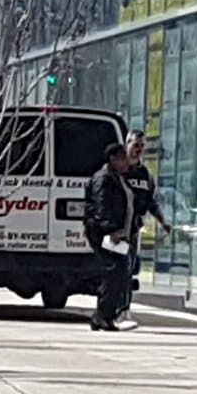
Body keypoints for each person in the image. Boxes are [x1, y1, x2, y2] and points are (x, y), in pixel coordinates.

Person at [119, 130, 169, 331]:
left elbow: (151, 202)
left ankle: (124, 309)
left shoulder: (145, 175)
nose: (138, 149)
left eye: (141, 146)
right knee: (115, 271)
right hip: (114, 230)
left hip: (133, 231)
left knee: (128, 270)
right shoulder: (118, 171)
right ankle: (111, 308)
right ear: (126, 145)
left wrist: (163, 221)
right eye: (134, 145)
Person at [83, 141, 132, 332]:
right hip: (105, 235)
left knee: (116, 273)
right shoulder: (103, 179)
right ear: (113, 159)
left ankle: (104, 315)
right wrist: (111, 231)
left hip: (115, 234)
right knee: (113, 272)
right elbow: (102, 208)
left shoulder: (116, 177)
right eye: (123, 159)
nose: (126, 163)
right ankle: (103, 316)